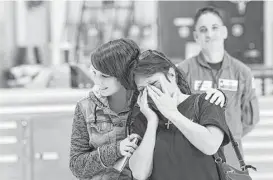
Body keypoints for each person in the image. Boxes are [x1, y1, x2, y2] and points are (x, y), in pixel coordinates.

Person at [69, 38, 227, 180]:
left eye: (105, 76)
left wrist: (220, 95)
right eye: (95, 73)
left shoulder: (145, 105)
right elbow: (77, 165)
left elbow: (183, 98)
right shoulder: (88, 108)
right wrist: (116, 149)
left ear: (124, 75)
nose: (97, 81)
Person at [177, 6, 260, 169]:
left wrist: (226, 137)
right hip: (196, 160)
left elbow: (250, 119)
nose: (209, 34)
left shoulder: (242, 72)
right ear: (196, 36)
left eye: (214, 28)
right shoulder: (183, 71)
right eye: (203, 30)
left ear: (224, 32)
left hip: (232, 161)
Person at [128, 49, 230, 180]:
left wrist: (172, 113)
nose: (150, 93)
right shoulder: (144, 117)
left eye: (154, 84)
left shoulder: (206, 102)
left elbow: (210, 145)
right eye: (142, 89)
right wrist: (152, 122)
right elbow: (139, 173)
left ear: (171, 74)